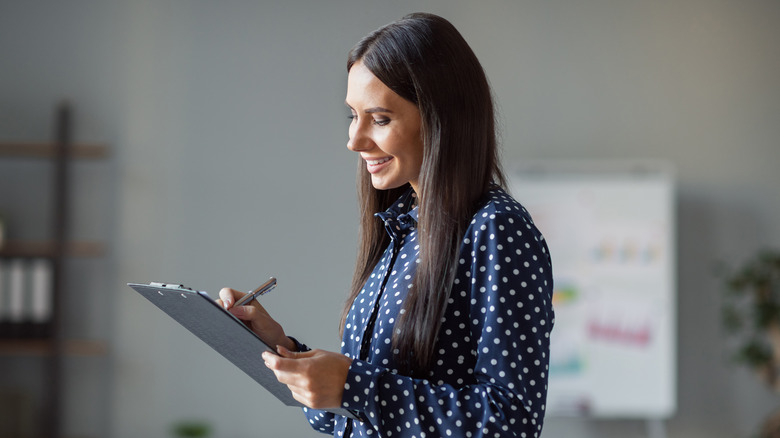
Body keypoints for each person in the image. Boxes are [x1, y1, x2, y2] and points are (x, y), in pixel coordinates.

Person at [218, 12, 554, 438]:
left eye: (379, 119)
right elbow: (356, 418)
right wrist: (282, 349)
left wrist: (354, 386)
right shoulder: (403, 228)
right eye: (352, 116)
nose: (354, 140)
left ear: (441, 118)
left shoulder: (496, 229)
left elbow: (512, 421)